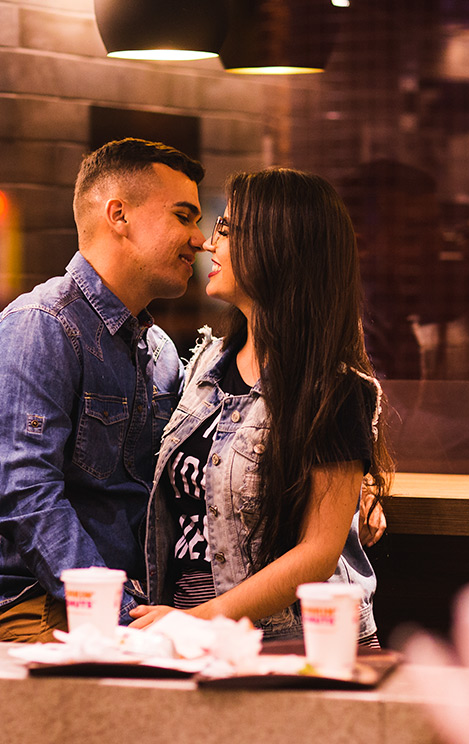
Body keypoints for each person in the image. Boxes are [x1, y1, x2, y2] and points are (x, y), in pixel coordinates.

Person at [0, 138, 206, 642]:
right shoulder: (40, 327)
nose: (199, 238)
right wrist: (123, 616)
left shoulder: (157, 350)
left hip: (121, 608)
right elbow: (27, 496)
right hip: (22, 608)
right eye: (183, 216)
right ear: (119, 215)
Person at [130, 168, 392, 644]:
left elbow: (317, 553)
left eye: (226, 230)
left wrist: (201, 618)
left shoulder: (333, 391)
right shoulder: (205, 364)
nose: (210, 244)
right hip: (196, 634)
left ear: (279, 246)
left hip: (292, 642)